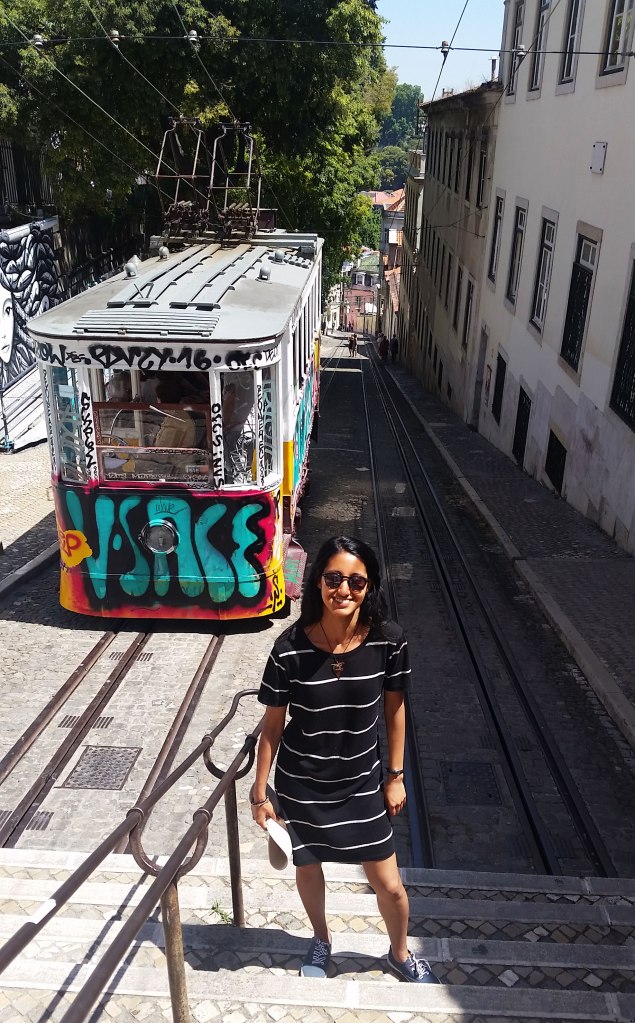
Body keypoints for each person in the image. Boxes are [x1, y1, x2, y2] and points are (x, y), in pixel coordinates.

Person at [251, 536, 440, 984]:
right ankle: (320, 937)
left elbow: (395, 709)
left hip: (361, 785)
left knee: (390, 885)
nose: (344, 590)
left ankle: (399, 953)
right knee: (308, 864)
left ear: (368, 587)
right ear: (318, 582)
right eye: (334, 578)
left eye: (356, 582)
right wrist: (260, 791)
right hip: (301, 783)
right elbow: (273, 726)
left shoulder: (387, 641)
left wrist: (395, 776)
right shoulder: (289, 648)